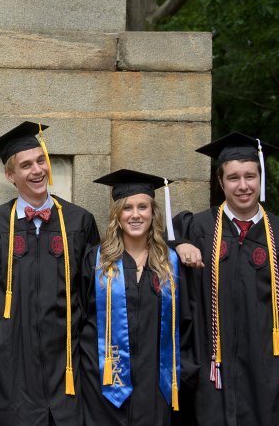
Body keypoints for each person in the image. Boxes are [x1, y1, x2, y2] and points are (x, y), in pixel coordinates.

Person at [173, 132, 279, 426]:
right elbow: (153, 242)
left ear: (260, 178)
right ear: (221, 182)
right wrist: (179, 243)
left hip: (268, 372)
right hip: (213, 369)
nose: (243, 186)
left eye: (250, 176)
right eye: (233, 178)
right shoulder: (199, 229)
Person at [0, 121, 100, 426]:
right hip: (7, 363)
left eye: (41, 161)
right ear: (10, 175)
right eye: (26, 165)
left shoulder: (80, 222)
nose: (37, 170)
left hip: (64, 361)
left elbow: (94, 294)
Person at [79, 169, 195, 426]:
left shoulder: (171, 263)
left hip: (155, 385)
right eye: (127, 208)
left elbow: (185, 323)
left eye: (143, 207)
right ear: (117, 216)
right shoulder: (96, 262)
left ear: (153, 213)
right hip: (105, 384)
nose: (135, 215)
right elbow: (82, 319)